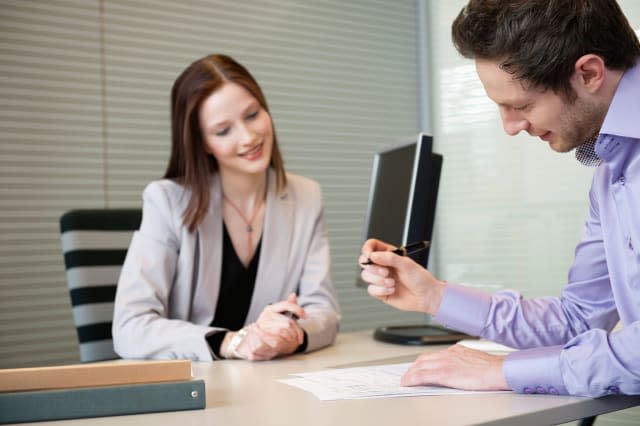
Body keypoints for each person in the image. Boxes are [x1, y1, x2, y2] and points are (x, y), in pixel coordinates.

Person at [360, 0, 640, 397]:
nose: (510, 127)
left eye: (521, 105)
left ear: (589, 73)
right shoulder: (612, 170)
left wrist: (502, 371)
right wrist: (434, 295)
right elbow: (578, 319)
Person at [113, 54, 340, 361]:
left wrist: (292, 335)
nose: (249, 137)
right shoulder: (165, 202)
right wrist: (233, 342)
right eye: (223, 131)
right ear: (202, 142)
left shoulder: (306, 197)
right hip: (195, 389)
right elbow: (130, 327)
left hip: (273, 383)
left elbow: (323, 311)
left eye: (252, 114)